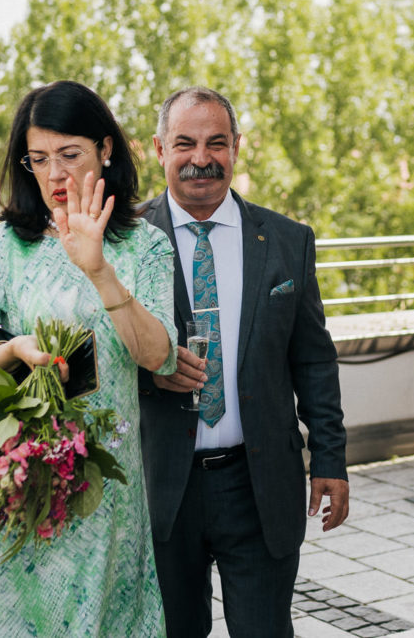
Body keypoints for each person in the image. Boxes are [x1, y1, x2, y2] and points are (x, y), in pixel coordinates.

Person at [0, 80, 177, 635]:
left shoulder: (144, 245)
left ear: (105, 150)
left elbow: (159, 358)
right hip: (18, 486)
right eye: (39, 159)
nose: (55, 175)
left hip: (104, 497)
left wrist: (98, 269)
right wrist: (8, 353)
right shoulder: (2, 246)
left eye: (70, 155)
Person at [137, 87, 349, 637]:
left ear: (237, 147)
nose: (201, 158)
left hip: (258, 484)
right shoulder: (127, 243)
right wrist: (151, 367)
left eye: (216, 143)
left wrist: (330, 458)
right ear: (159, 148)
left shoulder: (286, 241)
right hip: (161, 488)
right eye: (185, 143)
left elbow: (314, 360)